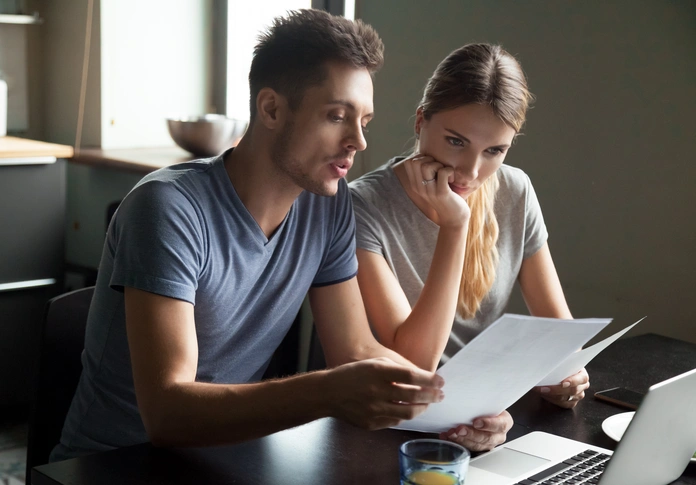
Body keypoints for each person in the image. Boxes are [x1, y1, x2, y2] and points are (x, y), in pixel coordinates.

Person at [50, 9, 445, 462]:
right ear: (272, 108)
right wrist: (325, 392)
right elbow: (166, 413)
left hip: (224, 459)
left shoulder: (329, 204)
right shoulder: (168, 208)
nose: (358, 140)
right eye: (338, 116)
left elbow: (355, 348)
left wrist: (454, 409)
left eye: (365, 122)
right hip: (114, 465)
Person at [349, 43, 589, 452]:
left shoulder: (515, 191)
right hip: (382, 427)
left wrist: (567, 376)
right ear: (421, 120)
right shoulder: (361, 205)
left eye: (495, 150)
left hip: (474, 415)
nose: (472, 171)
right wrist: (455, 225)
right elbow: (414, 363)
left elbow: (560, 335)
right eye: (456, 141)